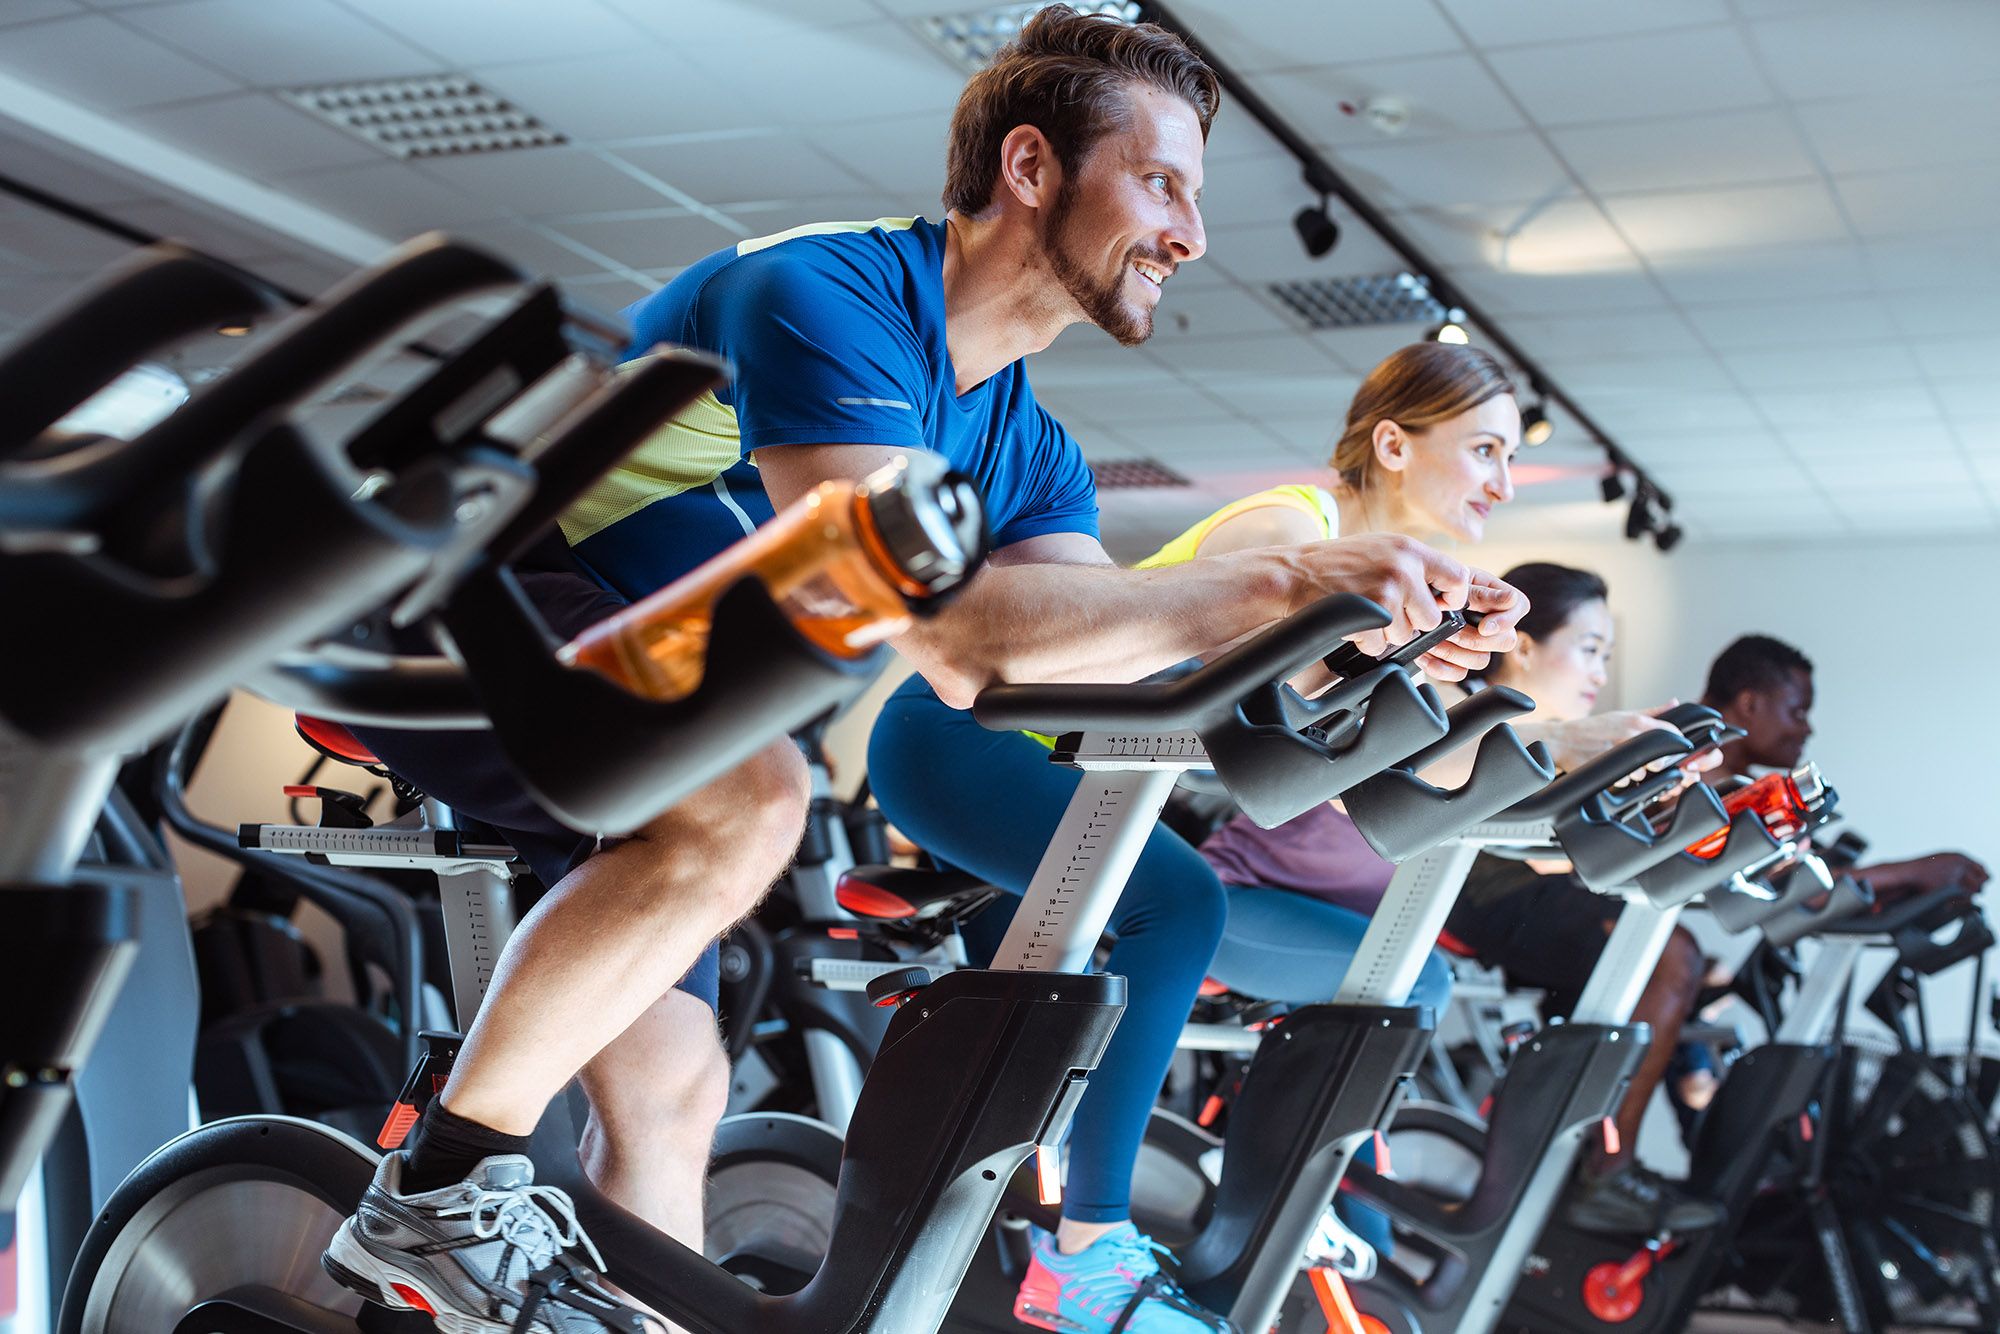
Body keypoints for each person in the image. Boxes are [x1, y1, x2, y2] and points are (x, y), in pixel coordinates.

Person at [323, 9, 1525, 1333]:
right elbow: (952, 631)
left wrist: (1349, 630)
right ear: (1030, 168)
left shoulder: (1032, 448)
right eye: (1162, 183)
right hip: (457, 608)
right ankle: (436, 1189)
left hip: (639, 698)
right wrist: (1286, 578)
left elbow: (1051, 662)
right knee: (751, 797)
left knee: (672, 1091)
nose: (1189, 234)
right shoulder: (824, 297)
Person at [1439, 564, 1729, 1236]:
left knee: (1691, 964)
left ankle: (1600, 1158)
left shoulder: (1567, 737)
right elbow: (1534, 850)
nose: (1599, 671)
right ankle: (1605, 1171)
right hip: (1485, 897)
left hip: (1532, 892)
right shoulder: (1475, 719)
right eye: (1589, 649)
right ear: (1524, 645)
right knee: (1668, 956)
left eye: (1607, 655)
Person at [1700, 635, 1990, 899]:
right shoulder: (1681, 779)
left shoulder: (1740, 787)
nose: (1807, 729)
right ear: (1749, 704)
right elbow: (1793, 893)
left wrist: (1915, 879)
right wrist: (1911, 872)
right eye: (1798, 712)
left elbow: (1799, 882)